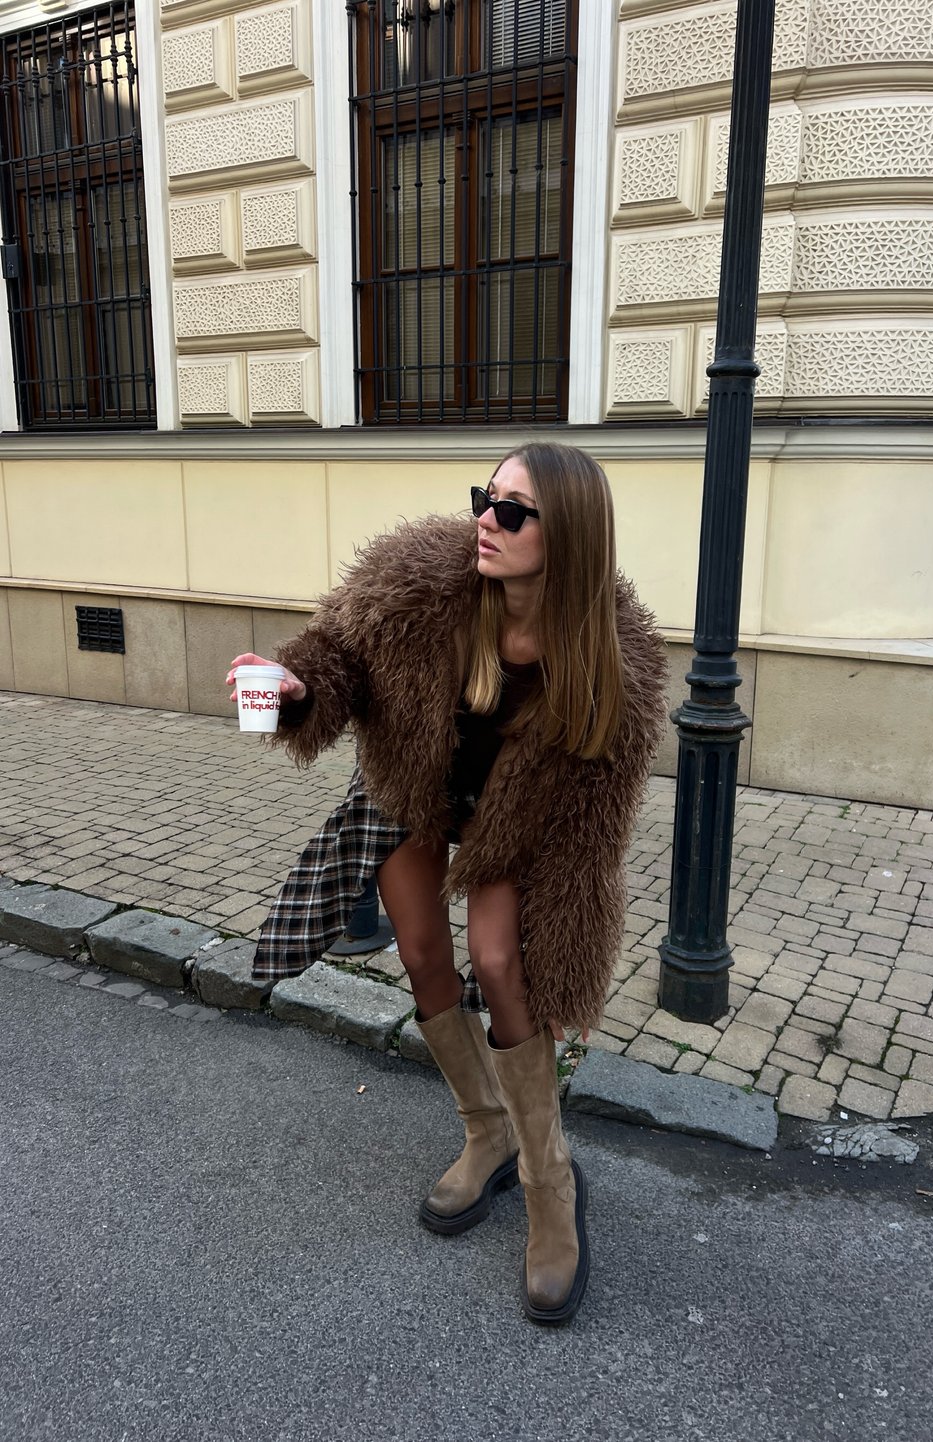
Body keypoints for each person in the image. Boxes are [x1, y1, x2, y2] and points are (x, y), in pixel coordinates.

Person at [226, 442, 666, 1326]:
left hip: (510, 828)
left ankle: (551, 1184)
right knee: (424, 955)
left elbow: (590, 840)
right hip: (414, 795)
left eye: (513, 511)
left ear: (569, 534)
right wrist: (294, 683)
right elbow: (339, 650)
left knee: (501, 962)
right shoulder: (419, 582)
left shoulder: (614, 664)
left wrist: (571, 953)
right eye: (484, 498)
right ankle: (486, 1129)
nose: (486, 522)